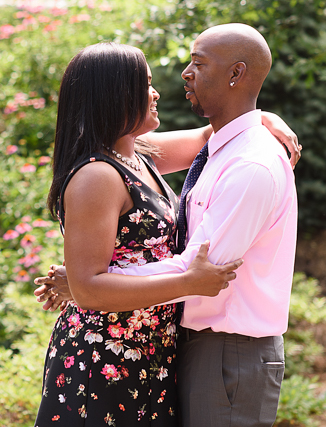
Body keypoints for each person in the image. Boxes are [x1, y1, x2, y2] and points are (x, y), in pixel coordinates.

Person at [37, 24, 299, 427]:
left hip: (150, 357)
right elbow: (89, 288)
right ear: (114, 95)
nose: (157, 92)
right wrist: (184, 283)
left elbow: (222, 126)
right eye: (145, 85)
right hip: (106, 356)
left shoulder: (139, 157)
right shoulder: (98, 176)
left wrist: (266, 116)